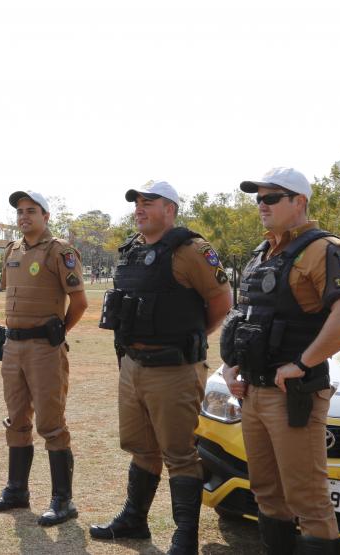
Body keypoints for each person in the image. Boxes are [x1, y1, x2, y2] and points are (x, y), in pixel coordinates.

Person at [220, 168, 340, 554]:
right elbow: (246, 315)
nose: (261, 206)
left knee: (309, 499)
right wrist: (231, 363)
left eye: (271, 198)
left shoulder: (325, 249)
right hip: (254, 391)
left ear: (298, 202)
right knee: (267, 492)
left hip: (293, 394)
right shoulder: (263, 251)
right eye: (258, 199)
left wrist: (303, 362)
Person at [90, 181, 232, 554]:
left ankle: (185, 536)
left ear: (169, 209)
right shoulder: (133, 250)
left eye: (148, 202)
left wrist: (191, 335)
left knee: (179, 452)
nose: (139, 208)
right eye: (136, 202)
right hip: (133, 366)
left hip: (174, 369)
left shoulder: (191, 251)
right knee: (141, 446)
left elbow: (221, 301)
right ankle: (134, 520)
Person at [0, 190, 88, 526]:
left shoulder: (60, 251)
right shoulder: (13, 250)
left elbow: (80, 302)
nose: (24, 217)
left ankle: (63, 500)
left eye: (31, 211)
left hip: (45, 348)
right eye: (19, 212)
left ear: (46, 216)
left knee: (51, 423)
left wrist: (59, 333)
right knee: (16, 419)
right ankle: (17, 490)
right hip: (12, 347)